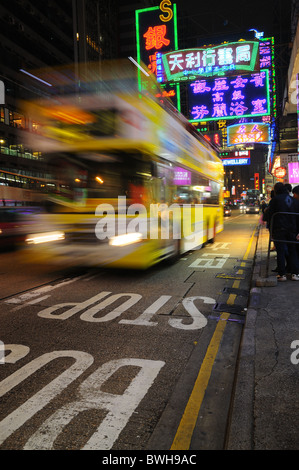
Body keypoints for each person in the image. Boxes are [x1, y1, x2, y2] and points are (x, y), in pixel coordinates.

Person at [267, 182, 299, 281]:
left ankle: (282, 274)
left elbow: (268, 215)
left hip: (279, 229)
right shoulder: (294, 201)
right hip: (292, 229)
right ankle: (295, 274)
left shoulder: (275, 200)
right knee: (293, 251)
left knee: (280, 251)